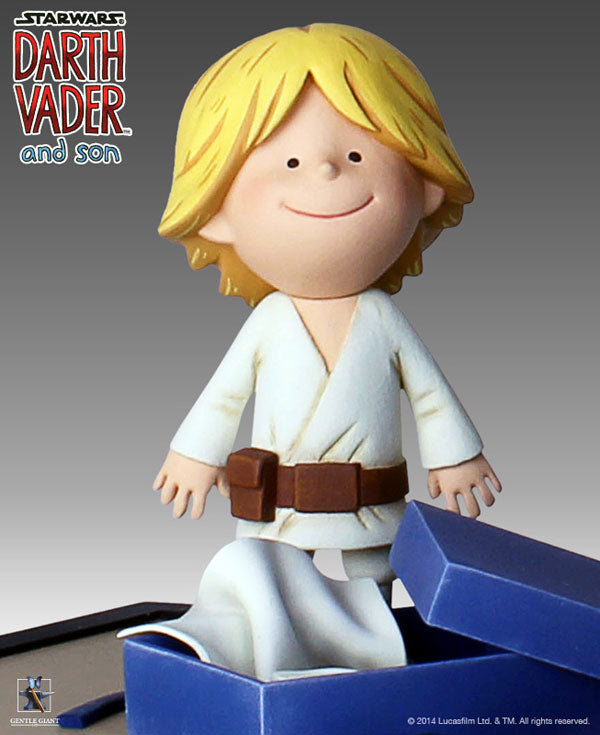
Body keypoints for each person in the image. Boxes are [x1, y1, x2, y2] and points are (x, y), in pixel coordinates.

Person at [134, 23, 502, 679]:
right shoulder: (270, 322)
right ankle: (280, 664)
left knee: (374, 579)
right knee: (275, 580)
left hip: (370, 499)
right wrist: (195, 453)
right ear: (217, 211)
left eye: (358, 155)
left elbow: (428, 393)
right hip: (281, 504)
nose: (328, 169)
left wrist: (456, 454)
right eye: (290, 163)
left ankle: (379, 662)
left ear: (425, 188)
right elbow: (225, 395)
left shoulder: (382, 319)